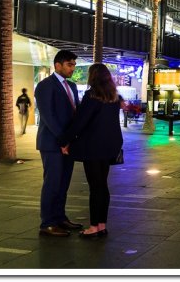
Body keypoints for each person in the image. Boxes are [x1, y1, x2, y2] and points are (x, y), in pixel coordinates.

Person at [59, 63, 123, 239]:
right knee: (102, 185)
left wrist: (64, 140)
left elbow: (80, 122)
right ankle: (102, 225)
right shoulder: (113, 97)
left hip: (93, 147)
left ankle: (94, 227)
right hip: (110, 146)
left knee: (95, 187)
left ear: (92, 77)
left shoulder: (92, 96)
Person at [34, 50, 82, 237]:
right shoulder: (46, 86)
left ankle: (60, 218)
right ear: (58, 65)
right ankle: (47, 222)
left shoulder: (72, 86)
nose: (72, 68)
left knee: (63, 184)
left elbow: (74, 113)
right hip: (52, 143)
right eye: (69, 64)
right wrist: (63, 140)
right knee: (52, 183)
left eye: (74, 65)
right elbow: (48, 116)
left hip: (67, 143)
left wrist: (71, 139)